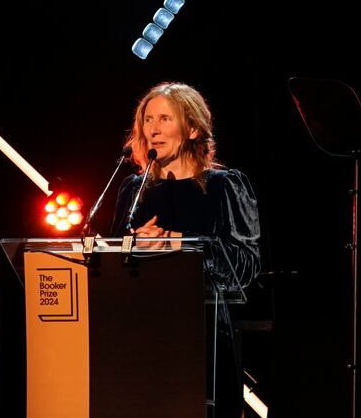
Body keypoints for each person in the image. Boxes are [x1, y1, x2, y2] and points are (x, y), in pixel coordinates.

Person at [107, 82, 260, 418]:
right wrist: (130, 245)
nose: (153, 130)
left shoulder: (226, 186)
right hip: (137, 336)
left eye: (165, 119)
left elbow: (245, 266)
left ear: (192, 129)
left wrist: (178, 242)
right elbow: (110, 264)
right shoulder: (134, 190)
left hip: (201, 339)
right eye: (148, 119)